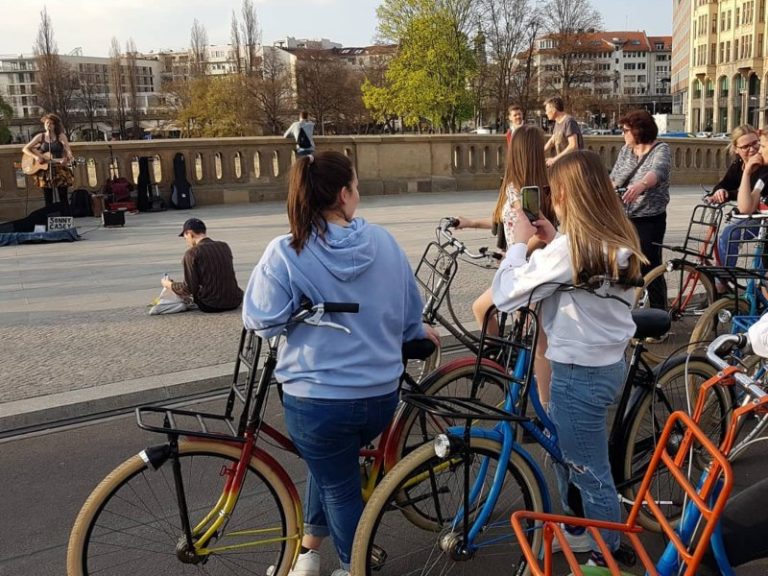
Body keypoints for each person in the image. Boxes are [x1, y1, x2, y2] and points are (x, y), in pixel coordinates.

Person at [242, 151, 439, 576]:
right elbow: (410, 319)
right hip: (379, 398)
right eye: (357, 185)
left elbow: (261, 320)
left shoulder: (286, 250)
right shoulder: (385, 242)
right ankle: (310, 552)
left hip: (315, 401)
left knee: (338, 483)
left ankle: (355, 568)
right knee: (333, 470)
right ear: (345, 194)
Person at [492, 150, 647, 567]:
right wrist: (554, 235)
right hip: (604, 365)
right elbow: (575, 264)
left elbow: (508, 295)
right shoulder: (613, 238)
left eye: (552, 193)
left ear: (564, 194)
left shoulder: (570, 251)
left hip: (578, 374)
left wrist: (519, 245)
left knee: (590, 471)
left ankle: (604, 555)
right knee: (576, 456)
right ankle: (583, 533)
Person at [455, 124, 555, 402]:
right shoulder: (515, 185)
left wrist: (518, 252)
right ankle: (503, 361)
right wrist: (471, 223)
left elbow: (538, 233)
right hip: (516, 266)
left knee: (538, 343)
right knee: (483, 308)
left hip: (530, 270)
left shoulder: (533, 188)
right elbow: (506, 223)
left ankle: (545, 407)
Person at [610, 110, 671, 310]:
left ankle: (660, 313)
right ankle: (626, 308)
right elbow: (615, 178)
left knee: (650, 264)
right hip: (625, 216)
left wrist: (642, 185)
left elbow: (658, 171)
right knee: (622, 262)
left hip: (650, 217)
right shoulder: (626, 150)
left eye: (626, 130)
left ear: (639, 131)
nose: (623, 134)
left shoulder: (661, 149)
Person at [161, 218, 243, 313]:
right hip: (235, 301)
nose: (186, 240)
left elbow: (188, 288)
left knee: (188, 294)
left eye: (185, 237)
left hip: (211, 304)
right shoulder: (224, 246)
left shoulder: (192, 253)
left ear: (190, 233)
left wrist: (169, 284)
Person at [709, 125, 762, 270]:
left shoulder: (764, 167)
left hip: (761, 217)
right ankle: (723, 279)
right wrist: (720, 191)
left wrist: (732, 193)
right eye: (745, 146)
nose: (752, 149)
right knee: (723, 237)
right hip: (750, 215)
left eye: (755, 143)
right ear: (736, 149)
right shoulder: (738, 165)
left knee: (730, 234)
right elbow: (724, 184)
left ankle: (722, 282)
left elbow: (752, 196)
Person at [22, 113, 75, 213]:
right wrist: (36, 157)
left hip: (60, 169)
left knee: (63, 196)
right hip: (45, 171)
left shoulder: (61, 136)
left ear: (55, 125)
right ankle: (49, 220)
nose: (48, 125)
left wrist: (67, 157)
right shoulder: (40, 137)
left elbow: (68, 150)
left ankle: (66, 219)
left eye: (51, 123)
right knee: (48, 197)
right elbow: (25, 148)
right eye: (47, 123)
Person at [543, 96, 584, 167]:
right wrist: (540, 152)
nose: (546, 113)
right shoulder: (557, 122)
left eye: (547, 110)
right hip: (564, 164)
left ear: (554, 110)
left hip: (573, 165)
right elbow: (553, 140)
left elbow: (573, 146)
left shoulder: (569, 121)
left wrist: (554, 159)